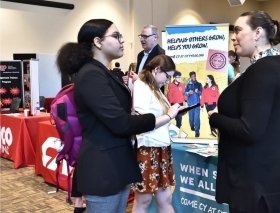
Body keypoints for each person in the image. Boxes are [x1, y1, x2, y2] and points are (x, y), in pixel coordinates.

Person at [56, 19, 181, 213]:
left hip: (116, 164)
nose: (122, 40)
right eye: (116, 36)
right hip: (103, 169)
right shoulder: (91, 74)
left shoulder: (105, 73)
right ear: (98, 42)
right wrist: (163, 118)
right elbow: (121, 123)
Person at [208, 11, 280, 213]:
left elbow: (250, 129)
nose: (233, 36)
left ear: (258, 33)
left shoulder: (263, 71)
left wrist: (215, 118)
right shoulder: (270, 66)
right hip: (258, 180)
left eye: (238, 30)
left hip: (255, 184)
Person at [132, 54, 185, 213]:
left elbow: (162, 115)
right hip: (148, 147)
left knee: (165, 197)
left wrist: (174, 112)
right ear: (156, 69)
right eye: (167, 76)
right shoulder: (141, 86)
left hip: (162, 146)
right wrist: (169, 115)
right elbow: (144, 121)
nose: (167, 81)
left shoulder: (156, 88)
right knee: (144, 199)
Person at [185, 71, 202, 137]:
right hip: (190, 104)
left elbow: (201, 93)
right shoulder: (188, 84)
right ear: (190, 77)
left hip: (197, 104)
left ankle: (197, 131)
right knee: (191, 118)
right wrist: (188, 92)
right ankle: (192, 126)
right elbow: (185, 92)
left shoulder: (199, 84)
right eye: (192, 76)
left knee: (197, 118)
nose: (193, 77)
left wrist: (198, 92)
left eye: (194, 76)